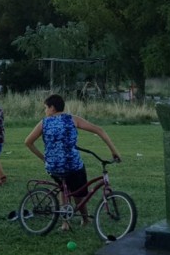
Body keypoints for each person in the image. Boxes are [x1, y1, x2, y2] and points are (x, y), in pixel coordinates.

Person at [24, 94, 121, 229]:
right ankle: (85, 219)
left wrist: (44, 158)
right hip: (72, 165)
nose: (45, 111)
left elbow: (28, 142)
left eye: (45, 108)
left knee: (63, 188)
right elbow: (99, 130)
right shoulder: (73, 119)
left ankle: (65, 223)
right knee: (78, 192)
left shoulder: (43, 123)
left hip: (53, 166)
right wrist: (114, 151)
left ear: (52, 108)